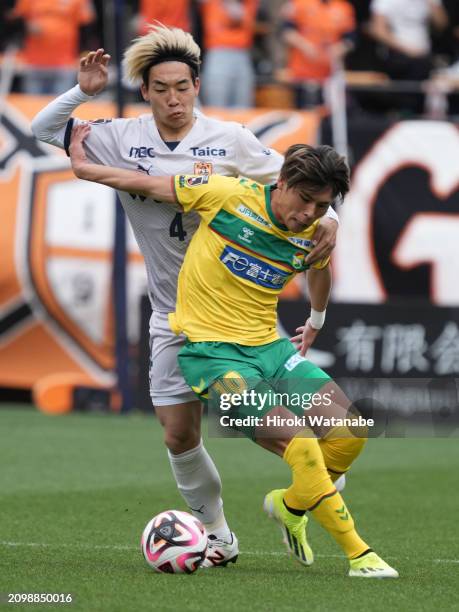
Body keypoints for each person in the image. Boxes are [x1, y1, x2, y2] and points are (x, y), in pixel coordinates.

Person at [31, 24, 339, 568]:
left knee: (285, 425)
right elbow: (42, 127)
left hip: (233, 314)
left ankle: (307, 492)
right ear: (146, 92)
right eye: (161, 88)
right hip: (170, 314)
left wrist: (331, 219)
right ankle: (219, 534)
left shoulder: (232, 140)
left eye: (182, 86)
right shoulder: (118, 138)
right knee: (178, 434)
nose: (173, 99)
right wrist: (84, 91)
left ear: (197, 85)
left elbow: (299, 186)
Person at [68, 124, 399, 579]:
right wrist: (86, 168)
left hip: (271, 350)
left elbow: (319, 269)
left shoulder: (316, 230)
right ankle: (360, 554)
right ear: (279, 182)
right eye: (303, 199)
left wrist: (317, 318)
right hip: (212, 358)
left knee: (350, 432)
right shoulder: (226, 195)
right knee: (300, 444)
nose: (309, 213)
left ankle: (290, 504)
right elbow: (147, 183)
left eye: (322, 206)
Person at [9, 0, 96, 95]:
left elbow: (88, 28)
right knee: (34, 106)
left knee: (61, 106)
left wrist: (83, 55)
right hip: (34, 63)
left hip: (64, 63)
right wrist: (27, 27)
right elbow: (15, 20)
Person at [281, 0, 356, 108]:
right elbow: (286, 31)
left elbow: (350, 39)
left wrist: (338, 49)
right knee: (304, 108)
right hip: (303, 71)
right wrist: (305, 46)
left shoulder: (343, 7)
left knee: (331, 110)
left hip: (330, 72)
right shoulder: (300, 3)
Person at [200, 0, 258, 108]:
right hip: (218, 53)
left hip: (242, 53)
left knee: (243, 106)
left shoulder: (247, 3)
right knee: (216, 107)